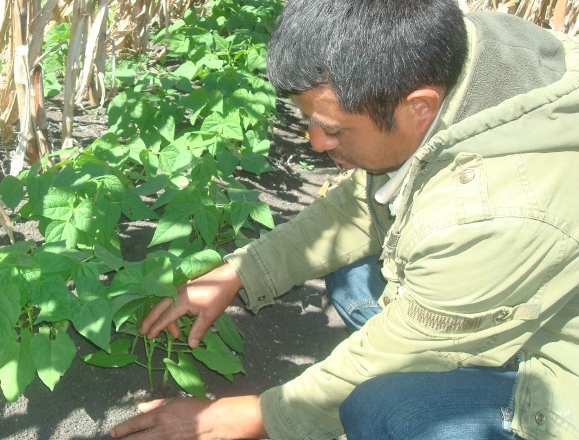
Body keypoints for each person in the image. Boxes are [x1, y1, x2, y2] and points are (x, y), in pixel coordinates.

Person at [111, 0, 579, 438]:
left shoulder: (491, 209)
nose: (316, 143)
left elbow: (409, 348)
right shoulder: (451, 55)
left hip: (562, 373)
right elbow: (364, 205)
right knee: (351, 273)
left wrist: (252, 416)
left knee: (380, 409)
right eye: (308, 121)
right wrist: (241, 270)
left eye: (332, 129)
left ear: (420, 108)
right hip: (514, 275)